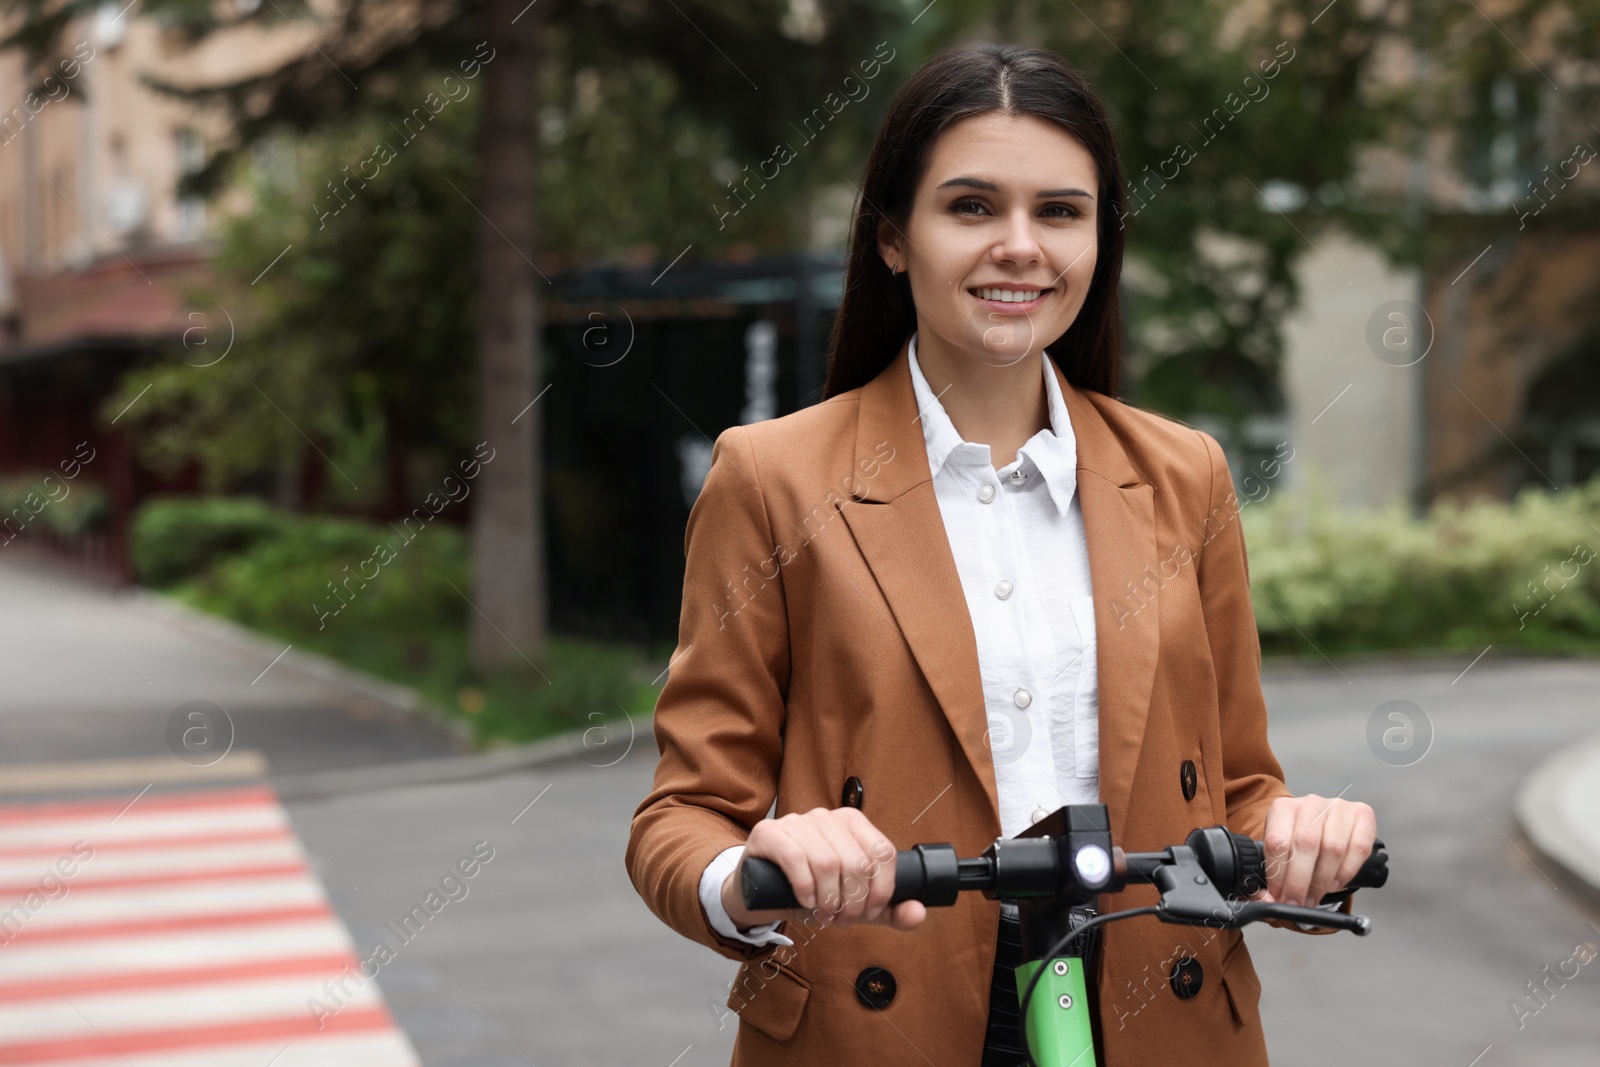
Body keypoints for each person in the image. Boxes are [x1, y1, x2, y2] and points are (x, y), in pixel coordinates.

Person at [625, 41, 1377, 1067]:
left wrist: (1306, 845)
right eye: (971, 207)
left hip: (1154, 1010)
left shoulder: (1185, 473)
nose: (1019, 246)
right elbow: (682, 817)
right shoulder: (772, 478)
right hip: (878, 1015)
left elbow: (1237, 790)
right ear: (893, 236)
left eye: (1059, 212)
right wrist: (756, 867)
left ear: (1098, 243)